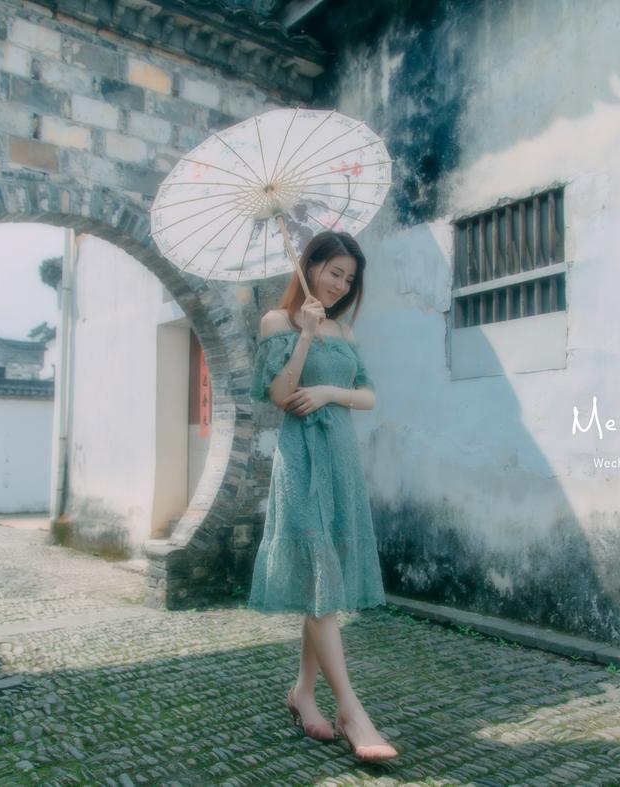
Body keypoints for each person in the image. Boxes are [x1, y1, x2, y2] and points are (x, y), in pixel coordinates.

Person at [248, 231, 398, 764]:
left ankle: (303, 693)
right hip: (301, 462)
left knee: (325, 583)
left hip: (341, 464)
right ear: (309, 266)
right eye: (334, 272)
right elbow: (279, 396)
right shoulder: (277, 322)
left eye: (349, 279)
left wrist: (332, 392)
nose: (340, 285)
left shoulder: (346, 331)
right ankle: (351, 711)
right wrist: (306, 335)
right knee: (319, 578)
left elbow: (368, 394)